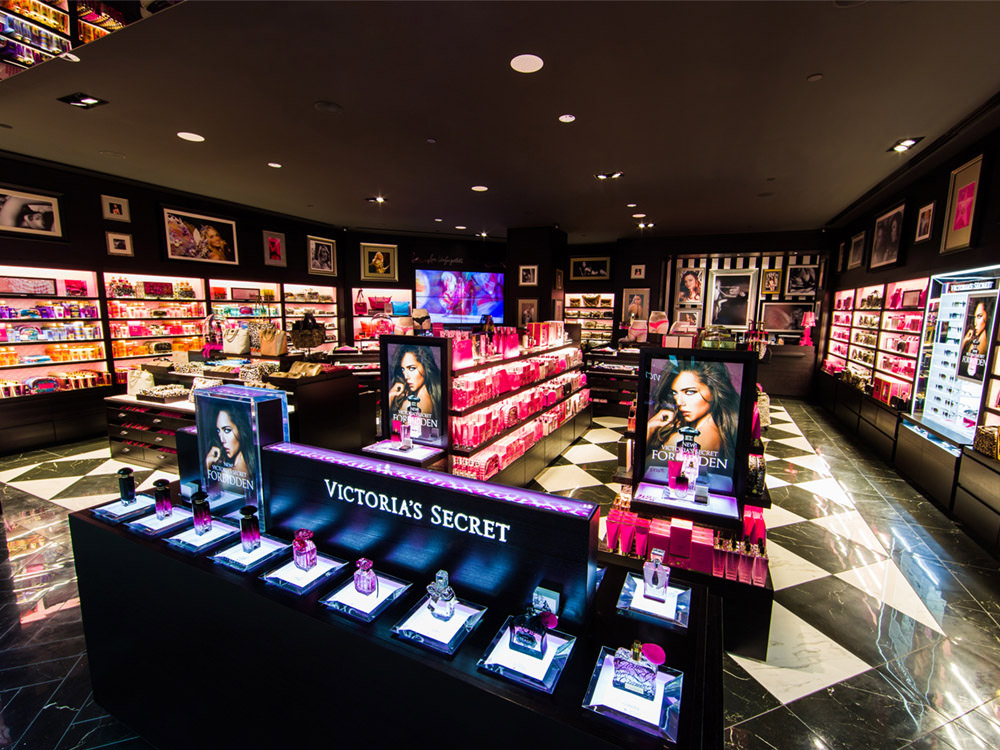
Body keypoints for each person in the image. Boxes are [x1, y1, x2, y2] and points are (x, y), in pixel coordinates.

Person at [645, 360, 740, 478]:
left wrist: (649, 427)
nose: (679, 402)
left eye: (689, 392)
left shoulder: (684, 441)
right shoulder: (717, 430)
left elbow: (643, 471)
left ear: (713, 391)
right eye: (675, 393)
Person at [388, 344, 442, 432]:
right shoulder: (428, 394)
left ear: (425, 367)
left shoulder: (416, 404)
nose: (406, 376)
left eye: (412, 368)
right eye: (403, 369)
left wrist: (390, 398)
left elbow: (397, 433)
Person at [203, 405, 256, 497]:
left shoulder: (228, 475)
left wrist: (207, 465)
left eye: (227, 430)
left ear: (241, 429)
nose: (222, 439)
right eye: (218, 431)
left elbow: (211, 498)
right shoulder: (253, 464)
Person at [960, 299, 992, 378]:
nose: (975, 323)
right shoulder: (973, 340)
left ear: (988, 316)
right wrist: (965, 340)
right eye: (975, 317)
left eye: (979, 316)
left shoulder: (986, 343)